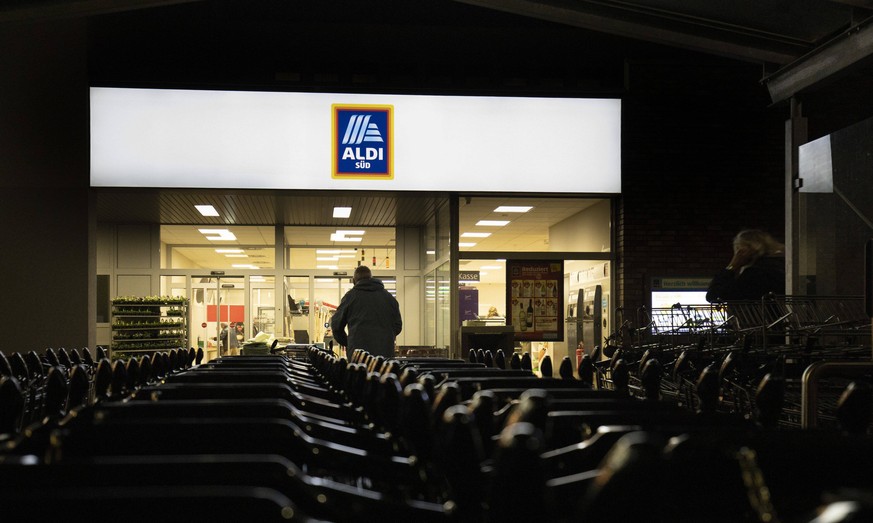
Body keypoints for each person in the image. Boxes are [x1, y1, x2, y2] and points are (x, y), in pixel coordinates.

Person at [331, 265, 402, 359]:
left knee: (359, 374)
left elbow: (336, 326)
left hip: (358, 355)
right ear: (371, 278)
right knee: (384, 374)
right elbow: (398, 326)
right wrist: (385, 338)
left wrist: (349, 342)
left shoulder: (350, 297)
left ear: (353, 281)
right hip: (385, 354)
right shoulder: (389, 298)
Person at [706, 229, 785, 303]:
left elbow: (714, 295)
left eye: (738, 249)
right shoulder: (780, 266)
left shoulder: (754, 274)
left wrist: (732, 266)